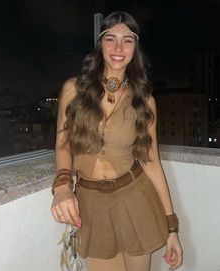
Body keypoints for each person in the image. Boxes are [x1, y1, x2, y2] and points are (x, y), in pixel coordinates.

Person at [51, 11, 183, 271]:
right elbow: (63, 144)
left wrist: (173, 229)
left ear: (136, 48)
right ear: (100, 45)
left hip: (135, 200)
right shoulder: (73, 90)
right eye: (111, 38)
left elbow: (152, 162)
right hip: (91, 205)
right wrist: (62, 185)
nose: (119, 47)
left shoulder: (144, 101)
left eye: (128, 40)